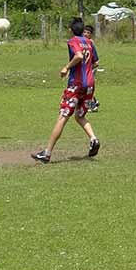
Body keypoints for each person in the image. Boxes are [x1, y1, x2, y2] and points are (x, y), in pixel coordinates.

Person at [32, 17, 100, 163]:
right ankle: (93, 139)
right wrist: (86, 70)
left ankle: (47, 153)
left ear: (70, 30)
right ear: (83, 30)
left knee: (63, 116)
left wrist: (66, 68)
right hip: (90, 86)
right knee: (80, 115)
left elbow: (79, 55)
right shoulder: (89, 42)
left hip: (76, 84)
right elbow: (95, 62)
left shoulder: (73, 41)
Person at [83, 24, 100, 113]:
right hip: (85, 69)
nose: (85, 34)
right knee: (85, 87)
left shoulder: (90, 44)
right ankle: (95, 101)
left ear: (91, 35)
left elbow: (96, 62)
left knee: (87, 88)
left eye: (88, 33)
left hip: (91, 69)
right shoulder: (82, 43)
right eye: (84, 32)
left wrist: (88, 68)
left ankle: (92, 105)